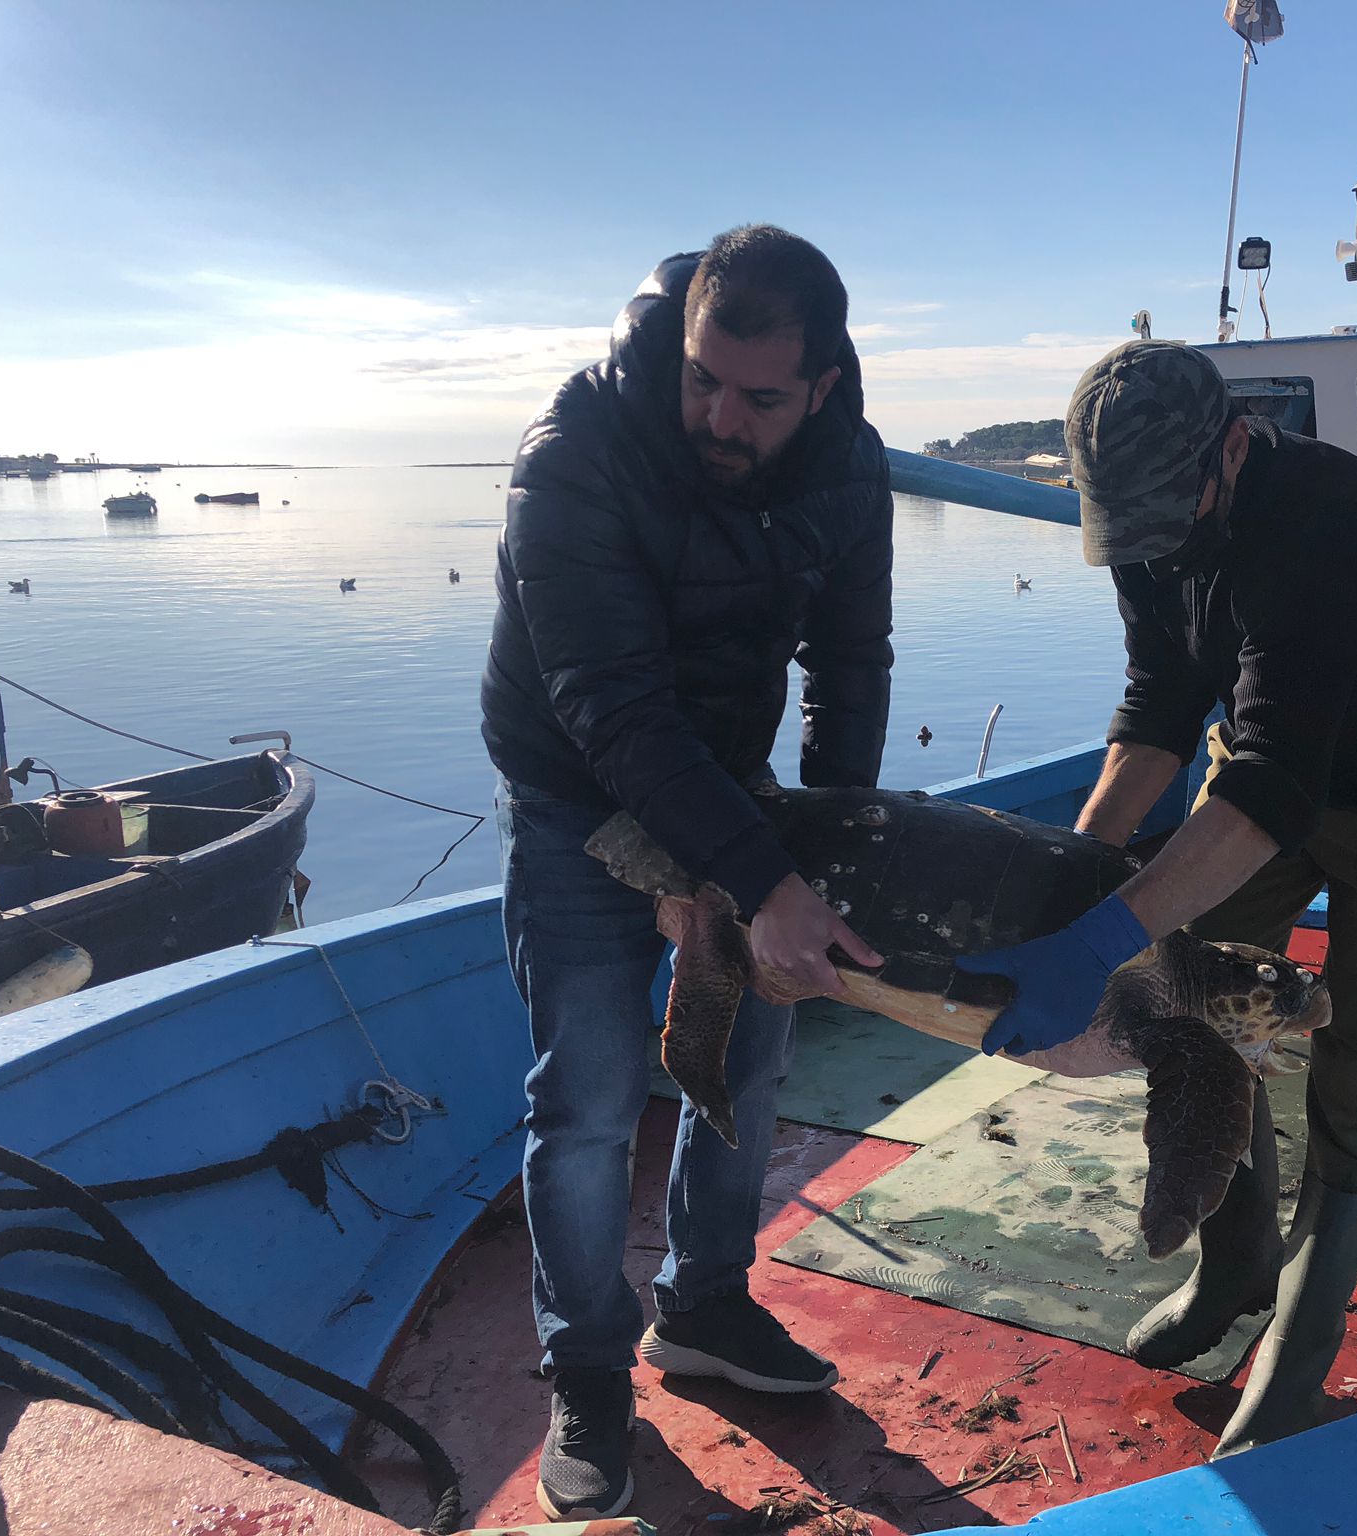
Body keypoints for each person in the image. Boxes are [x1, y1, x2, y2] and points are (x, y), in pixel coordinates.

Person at [955, 339, 1357, 1457]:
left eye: (1170, 524)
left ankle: (1296, 1358)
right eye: (1131, 536)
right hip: (1266, 769)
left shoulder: (1318, 518)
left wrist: (1108, 931)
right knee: (1198, 1003)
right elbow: (1160, 705)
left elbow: (1268, 789)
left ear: (1233, 449)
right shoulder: (1150, 518)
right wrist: (1071, 880)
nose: (1156, 552)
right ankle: (1237, 1259)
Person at [480, 225, 894, 1520]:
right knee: (590, 1098)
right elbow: (611, 710)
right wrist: (763, 882)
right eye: (703, 379)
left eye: (759, 397)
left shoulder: (846, 463)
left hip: (726, 780)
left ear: (820, 386)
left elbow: (852, 661)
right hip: (576, 781)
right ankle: (587, 1373)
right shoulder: (578, 454)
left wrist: (824, 849)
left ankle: (705, 1305)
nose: (719, 416)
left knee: (749, 1065)